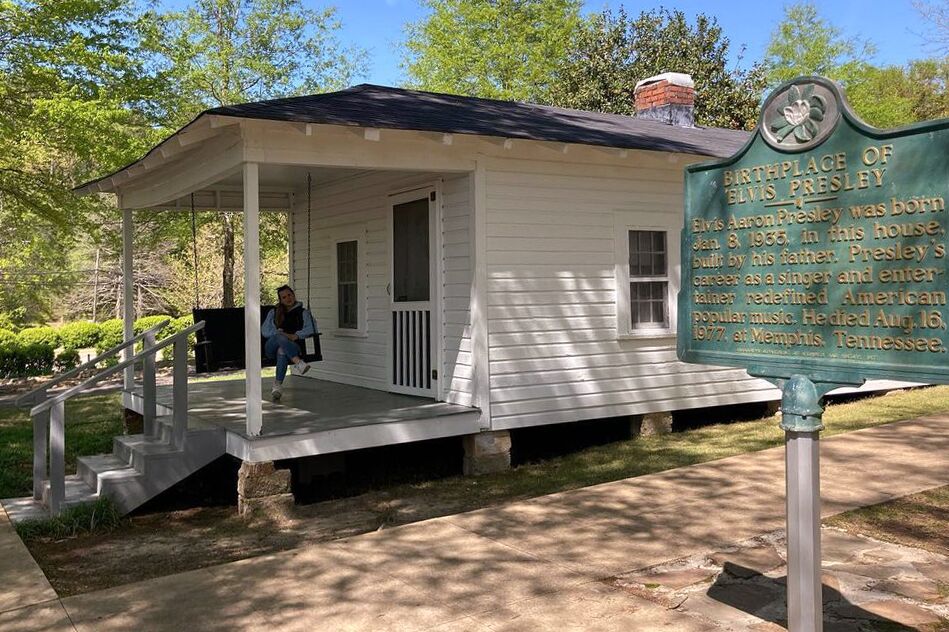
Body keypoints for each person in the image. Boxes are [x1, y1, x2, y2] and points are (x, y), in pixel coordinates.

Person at [261, 285, 317, 401]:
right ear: (280, 300)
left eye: (289, 295)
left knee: (282, 350)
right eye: (284, 297)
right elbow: (265, 331)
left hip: (291, 347)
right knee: (279, 337)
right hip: (271, 347)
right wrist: (280, 334)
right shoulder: (274, 312)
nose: (288, 298)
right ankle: (298, 362)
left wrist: (295, 335)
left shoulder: (303, 313)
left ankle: (277, 385)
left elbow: (311, 329)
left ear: (293, 295)